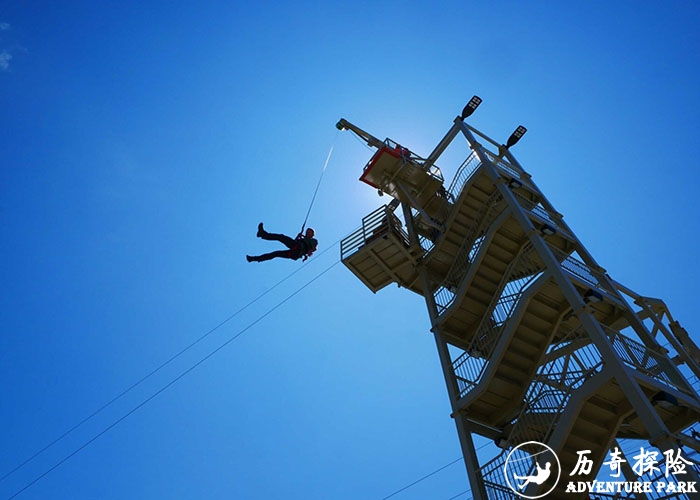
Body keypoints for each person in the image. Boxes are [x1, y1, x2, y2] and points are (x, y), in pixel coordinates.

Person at [246, 223, 318, 263]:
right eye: (307, 231)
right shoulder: (302, 239)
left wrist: (309, 251)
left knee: (280, 241)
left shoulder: (313, 241)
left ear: (312, 234)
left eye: (309, 232)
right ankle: (253, 259)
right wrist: (297, 236)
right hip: (295, 249)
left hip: (297, 250)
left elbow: (314, 248)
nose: (307, 232)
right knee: (278, 247)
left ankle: (263, 234)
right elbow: (293, 242)